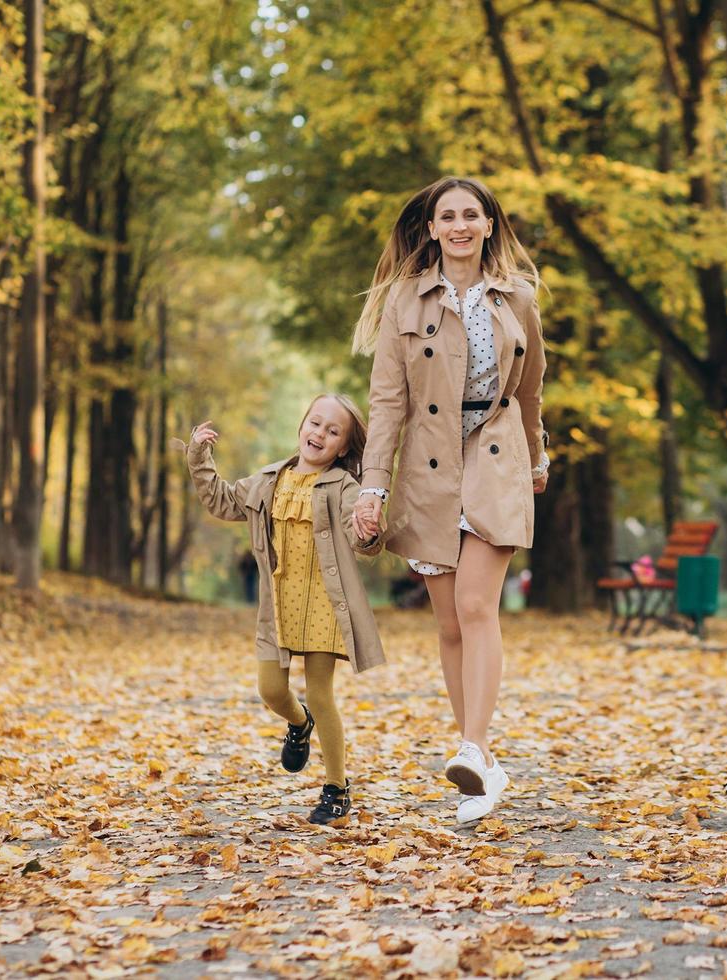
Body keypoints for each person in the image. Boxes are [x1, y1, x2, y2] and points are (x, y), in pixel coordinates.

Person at [350, 176, 549, 823]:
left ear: (489, 224)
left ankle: (472, 744)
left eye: (472, 214)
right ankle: (483, 768)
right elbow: (386, 403)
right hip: (429, 469)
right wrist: (372, 487)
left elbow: (530, 393)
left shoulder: (519, 298)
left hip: (494, 458)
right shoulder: (405, 302)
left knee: (474, 604)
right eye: (448, 216)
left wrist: (537, 454)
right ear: (431, 228)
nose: (460, 225)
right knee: (447, 624)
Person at [185, 394, 385, 825]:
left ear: (345, 448)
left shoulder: (344, 488)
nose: (320, 434)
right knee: (271, 690)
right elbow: (222, 500)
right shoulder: (269, 480)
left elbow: (361, 537)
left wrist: (368, 531)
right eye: (315, 423)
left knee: (320, 691)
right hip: (277, 606)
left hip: (324, 604)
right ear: (302, 425)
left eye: (333, 432)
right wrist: (200, 457)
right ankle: (299, 724)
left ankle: (336, 788)